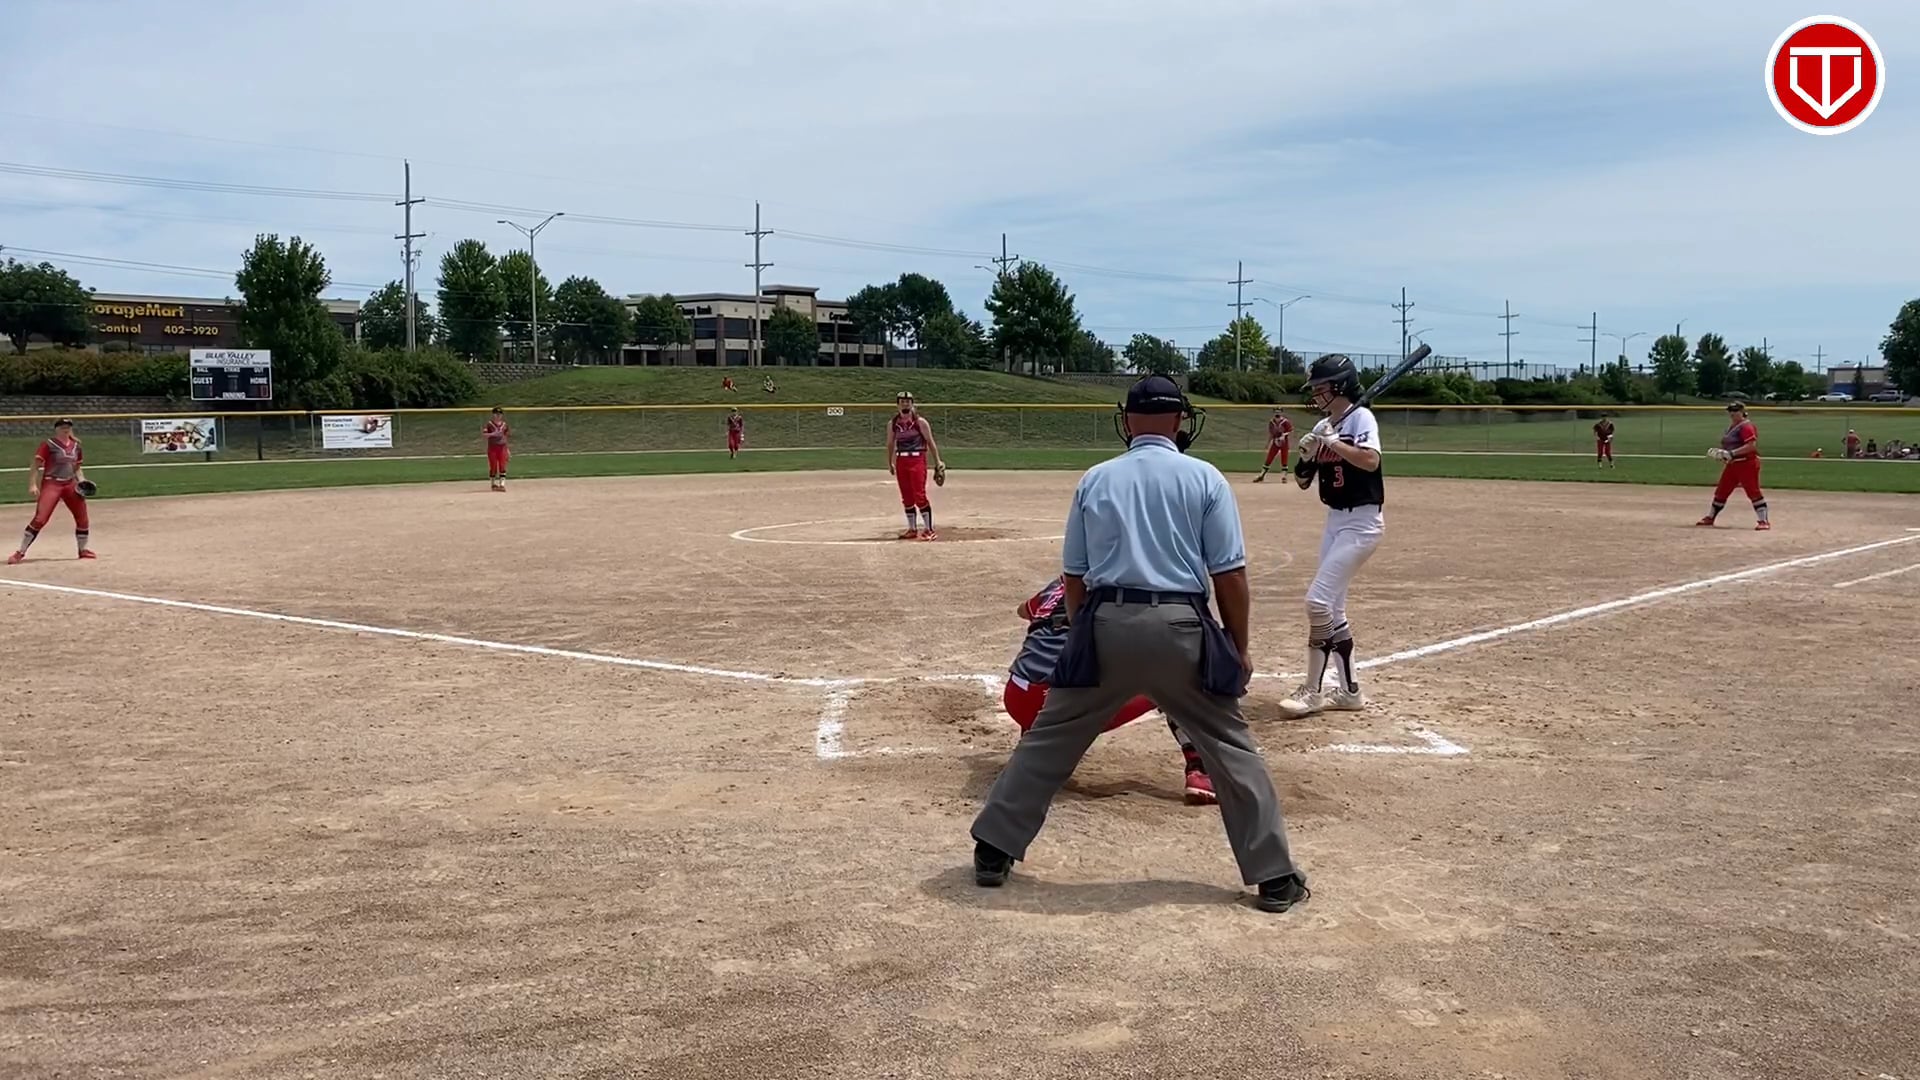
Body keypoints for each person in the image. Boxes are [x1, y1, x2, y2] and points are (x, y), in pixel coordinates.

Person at [969, 375, 1309, 914]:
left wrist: (1085, 634)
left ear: (1127, 421)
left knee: (1051, 737)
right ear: (1179, 421)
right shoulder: (1205, 477)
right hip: (1181, 626)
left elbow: (1074, 575)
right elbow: (1229, 575)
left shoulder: (1096, 478)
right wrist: (1238, 647)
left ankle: (993, 849)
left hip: (1105, 621)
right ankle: (1274, 877)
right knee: (1229, 745)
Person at [1004, 574, 1216, 804]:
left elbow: (1023, 610)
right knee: (1179, 678)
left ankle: (1035, 753)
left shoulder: (1060, 584)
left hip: (1017, 697)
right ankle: (1201, 771)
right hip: (1062, 707)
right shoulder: (1116, 591)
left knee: (1048, 665)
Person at [1278, 355, 1385, 720]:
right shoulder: (1325, 424)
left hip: (1362, 523)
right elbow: (1302, 481)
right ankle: (1351, 692)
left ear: (1339, 385)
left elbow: (1370, 461)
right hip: (1335, 521)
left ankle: (1312, 691)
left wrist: (1335, 442)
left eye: (1321, 387)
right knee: (1332, 608)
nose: (1316, 393)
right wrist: (1307, 456)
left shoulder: (1361, 419)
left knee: (1317, 602)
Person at [9, 419, 93, 565]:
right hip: (52, 483)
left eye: (68, 427)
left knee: (83, 518)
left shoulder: (76, 446)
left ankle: (83, 550)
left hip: (70, 484)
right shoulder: (49, 444)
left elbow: (77, 468)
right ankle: (20, 552)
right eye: (62, 427)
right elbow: (35, 465)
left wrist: (82, 481)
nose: (66, 429)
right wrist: (32, 484)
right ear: (56, 429)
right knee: (40, 519)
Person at [1698, 401, 1769, 530]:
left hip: (1747, 463)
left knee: (1753, 491)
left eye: (1735, 411)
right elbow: (1728, 445)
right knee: (1722, 490)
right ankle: (1711, 517)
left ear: (1742, 412)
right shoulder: (1731, 427)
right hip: (1733, 464)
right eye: (1730, 411)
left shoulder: (1746, 426)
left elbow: (1751, 446)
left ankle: (1763, 521)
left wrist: (1732, 453)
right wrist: (1723, 454)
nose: (1732, 413)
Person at [886, 391, 945, 541]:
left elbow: (930, 442)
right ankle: (912, 529)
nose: (905, 404)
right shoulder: (893, 424)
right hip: (901, 460)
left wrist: (938, 461)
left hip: (917, 459)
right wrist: (890, 462)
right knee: (906, 496)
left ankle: (929, 529)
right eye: (902, 402)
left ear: (912, 404)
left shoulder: (920, 422)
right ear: (897, 405)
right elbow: (890, 444)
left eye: (908, 402)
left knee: (919, 495)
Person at [1253, 407, 1293, 482]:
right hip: (1275, 442)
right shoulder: (1272, 422)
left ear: (1281, 413)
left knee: (1284, 458)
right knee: (1269, 457)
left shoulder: (1285, 421)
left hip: (1284, 442)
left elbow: (1290, 430)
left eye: (1279, 412)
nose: (1277, 413)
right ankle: (1262, 475)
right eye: (1276, 412)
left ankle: (1284, 477)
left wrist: (1284, 435)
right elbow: (1271, 434)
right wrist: (1268, 443)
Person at [483, 407, 511, 492]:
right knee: (493, 466)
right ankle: (493, 484)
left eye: (500, 414)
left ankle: (502, 485)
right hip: (493, 448)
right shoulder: (489, 424)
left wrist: (507, 449)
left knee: (502, 465)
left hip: (502, 448)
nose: (498, 415)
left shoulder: (504, 425)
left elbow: (505, 437)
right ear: (493, 415)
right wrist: (493, 434)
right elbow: (484, 435)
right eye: (496, 414)